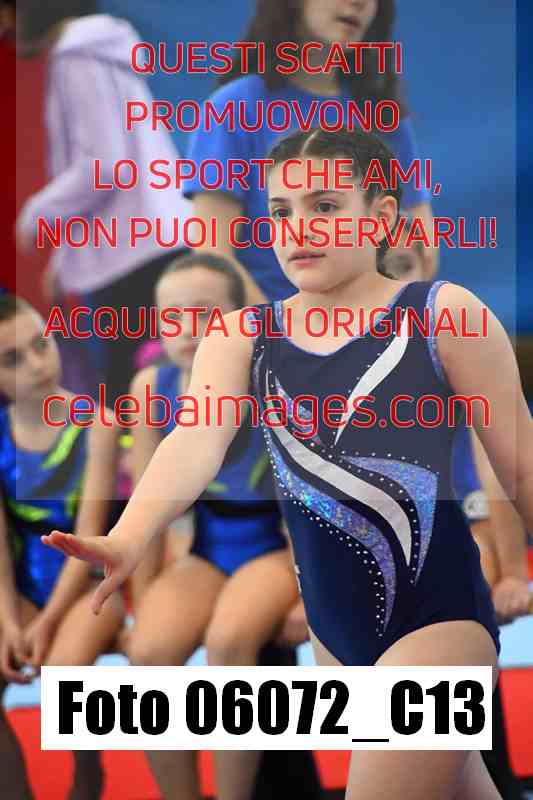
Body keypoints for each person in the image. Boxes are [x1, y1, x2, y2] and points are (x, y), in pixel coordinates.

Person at [42, 127, 533, 799]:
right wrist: (129, 536)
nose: (298, 227)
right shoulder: (244, 337)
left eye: (324, 206)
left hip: (438, 618)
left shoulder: (440, 314)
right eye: (280, 211)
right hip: (338, 635)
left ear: (380, 215)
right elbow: (193, 442)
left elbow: (520, 466)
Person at [125, 252, 300, 800]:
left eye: (204, 313)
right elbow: (149, 511)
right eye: (172, 315)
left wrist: (311, 595)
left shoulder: (272, 383)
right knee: (148, 652)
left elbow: (303, 505)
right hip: (207, 550)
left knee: (228, 642)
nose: (187, 328)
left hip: (275, 547)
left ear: (240, 318)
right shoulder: (152, 388)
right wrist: (142, 598)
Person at [186, 0, 437, 306]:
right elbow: (214, 253)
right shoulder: (233, 107)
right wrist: (280, 328)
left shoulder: (384, 115)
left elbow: (420, 249)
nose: (359, 3)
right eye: (281, 213)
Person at [13, 1, 191, 402]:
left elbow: (106, 167)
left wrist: (36, 213)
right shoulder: (99, 48)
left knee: (132, 400)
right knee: (160, 389)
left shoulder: (75, 53)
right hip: (153, 246)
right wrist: (66, 259)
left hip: (135, 261)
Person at [0, 294, 125, 800]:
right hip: (25, 584)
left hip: (91, 585)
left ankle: (88, 776)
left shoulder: (97, 424)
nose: (36, 365)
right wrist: (10, 622)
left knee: (65, 674)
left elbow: (89, 537)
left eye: (41, 344)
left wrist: (48, 621)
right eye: (12, 359)